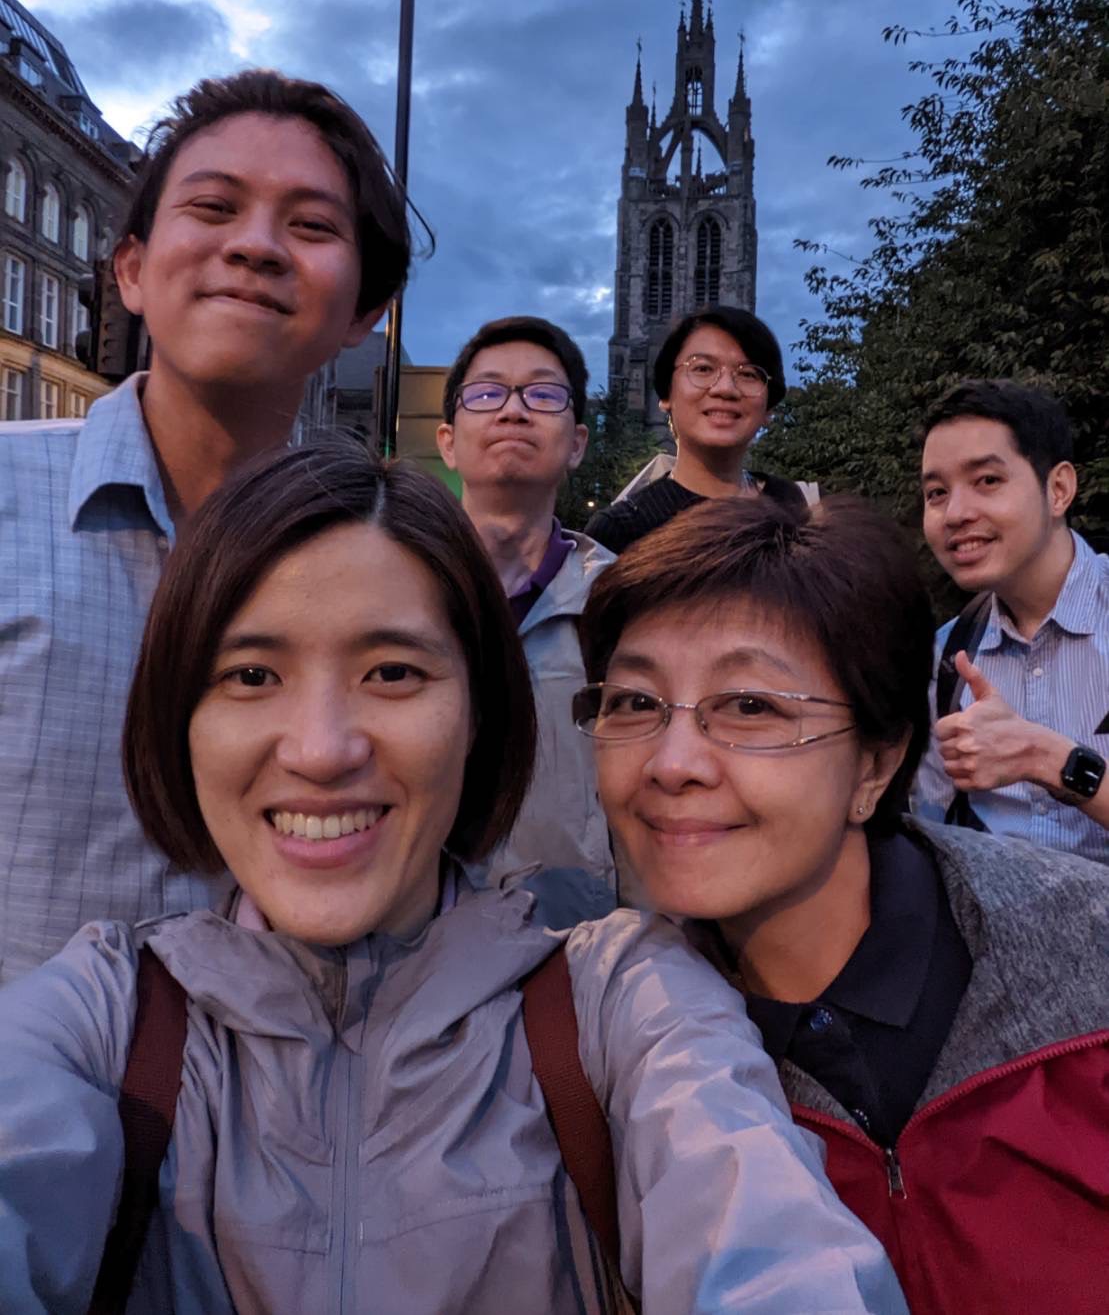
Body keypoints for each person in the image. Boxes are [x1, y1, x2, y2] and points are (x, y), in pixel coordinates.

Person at [0, 445, 906, 1315]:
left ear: (479, 713)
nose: (320, 749)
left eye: (392, 672)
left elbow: (761, 1236)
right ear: (179, 716)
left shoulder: (616, 1004)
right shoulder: (103, 1020)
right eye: (250, 674)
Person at [576, 495, 1109, 1315]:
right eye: (634, 703)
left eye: (749, 706)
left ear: (876, 761)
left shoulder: (1083, 961)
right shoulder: (599, 1050)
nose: (670, 762)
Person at [0, 68, 413, 981]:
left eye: (310, 225)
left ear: (365, 311)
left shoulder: (387, 573)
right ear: (134, 271)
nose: (256, 246)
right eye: (214, 207)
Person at [437, 317, 616, 907]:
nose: (513, 411)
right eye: (487, 393)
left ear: (578, 443)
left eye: (543, 394)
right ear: (447, 441)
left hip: (570, 943)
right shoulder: (388, 592)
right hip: (410, 948)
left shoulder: (624, 603)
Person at [913, 379, 1108, 860]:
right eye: (936, 492)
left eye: (987, 481)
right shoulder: (943, 662)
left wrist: (1045, 757)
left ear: (1058, 488)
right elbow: (929, 833)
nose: (956, 513)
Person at [584, 304, 806, 555]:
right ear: (667, 394)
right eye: (703, 369)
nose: (725, 388)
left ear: (768, 409)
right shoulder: (619, 532)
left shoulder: (790, 502)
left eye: (749, 374)